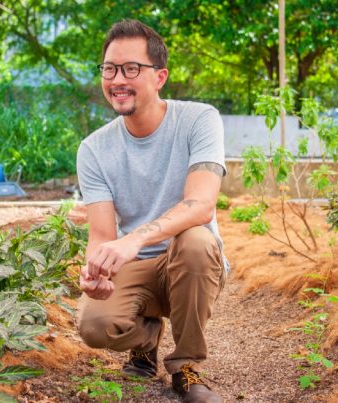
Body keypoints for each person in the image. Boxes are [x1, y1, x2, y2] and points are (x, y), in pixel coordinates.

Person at [75, 19, 227, 403]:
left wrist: (136, 238)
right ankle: (146, 339)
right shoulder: (93, 149)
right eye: (109, 69)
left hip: (188, 260)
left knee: (195, 241)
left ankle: (186, 366)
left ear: (160, 77)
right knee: (94, 325)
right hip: (136, 266)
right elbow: (101, 235)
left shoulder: (199, 120)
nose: (117, 79)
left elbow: (201, 203)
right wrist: (97, 269)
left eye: (131, 69)